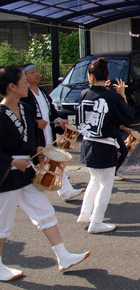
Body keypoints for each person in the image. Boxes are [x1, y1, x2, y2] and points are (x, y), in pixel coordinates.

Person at [0, 66, 90, 282]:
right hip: (6, 176)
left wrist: (37, 151)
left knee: (45, 211)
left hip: (26, 173)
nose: (26, 84)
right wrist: (11, 161)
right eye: (23, 80)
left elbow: (31, 137)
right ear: (12, 86)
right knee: (3, 224)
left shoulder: (25, 108)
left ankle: (63, 255)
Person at [76, 58, 134, 233]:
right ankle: (96, 222)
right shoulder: (112, 97)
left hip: (88, 143)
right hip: (105, 145)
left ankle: (85, 214)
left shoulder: (84, 94)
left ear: (91, 77)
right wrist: (122, 96)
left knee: (94, 180)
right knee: (105, 185)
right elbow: (128, 117)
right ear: (107, 76)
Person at [21, 64, 85, 201]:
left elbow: (50, 109)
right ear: (24, 76)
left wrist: (57, 120)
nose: (36, 74)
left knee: (52, 162)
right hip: (34, 137)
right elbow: (22, 116)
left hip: (47, 132)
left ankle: (65, 191)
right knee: (38, 165)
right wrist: (35, 122)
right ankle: (24, 196)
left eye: (37, 71)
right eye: (32, 72)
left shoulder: (42, 91)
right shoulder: (24, 95)